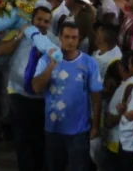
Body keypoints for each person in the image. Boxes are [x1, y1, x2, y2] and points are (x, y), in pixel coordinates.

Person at [31, 22, 102, 171]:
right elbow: (36, 87)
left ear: (79, 39)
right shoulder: (45, 60)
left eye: (74, 37)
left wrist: (95, 126)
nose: (70, 41)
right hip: (53, 129)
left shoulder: (90, 63)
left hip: (79, 131)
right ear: (60, 38)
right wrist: (51, 65)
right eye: (67, 37)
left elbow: (96, 98)